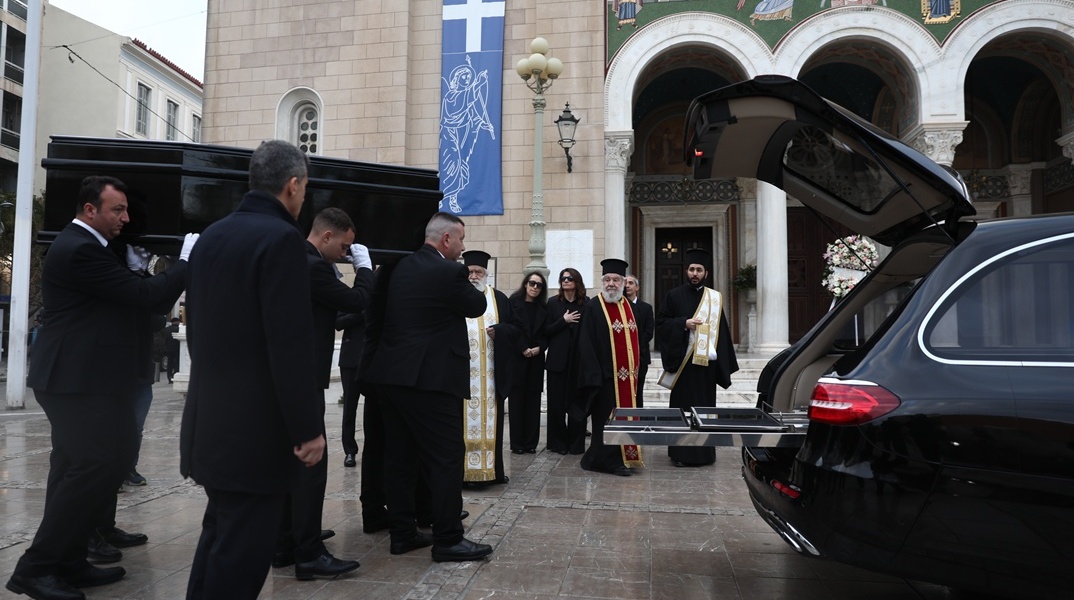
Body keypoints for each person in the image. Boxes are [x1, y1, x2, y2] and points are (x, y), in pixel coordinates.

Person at [7, 175, 194, 600]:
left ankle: (69, 560)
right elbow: (146, 296)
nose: (125, 218)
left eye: (127, 210)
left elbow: (135, 300)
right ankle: (34, 569)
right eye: (117, 210)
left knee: (88, 464)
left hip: (86, 377)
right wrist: (185, 262)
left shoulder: (93, 248)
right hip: (74, 380)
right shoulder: (80, 249)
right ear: (90, 209)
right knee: (93, 465)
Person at [180, 139, 327, 600]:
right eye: (304, 189)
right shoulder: (281, 239)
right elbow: (287, 344)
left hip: (211, 423)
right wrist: (308, 428)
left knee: (219, 539)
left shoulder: (213, 236)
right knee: (241, 559)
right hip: (254, 434)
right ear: (292, 185)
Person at [364, 212, 493, 562]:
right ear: (447, 239)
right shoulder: (449, 271)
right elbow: (477, 305)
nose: (464, 249)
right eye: (462, 240)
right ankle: (449, 538)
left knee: (400, 457)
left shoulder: (395, 267)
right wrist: (472, 281)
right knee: (445, 458)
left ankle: (402, 533)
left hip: (390, 377)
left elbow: (373, 315)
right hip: (430, 380)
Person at [272, 207, 374, 580]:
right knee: (311, 468)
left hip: (291, 375)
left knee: (291, 467)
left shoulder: (298, 258)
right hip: (305, 378)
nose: (346, 254)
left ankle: (286, 542)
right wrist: (363, 269)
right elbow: (355, 301)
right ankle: (309, 552)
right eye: (345, 247)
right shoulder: (312, 264)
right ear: (327, 236)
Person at [656, 248, 740, 467]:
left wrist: (723, 364)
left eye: (699, 270)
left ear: (706, 273)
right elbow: (661, 323)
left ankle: (704, 454)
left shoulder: (714, 298)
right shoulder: (673, 295)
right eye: (692, 269)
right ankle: (680, 454)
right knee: (682, 409)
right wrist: (683, 324)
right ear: (687, 271)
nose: (695, 273)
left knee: (704, 409)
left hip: (705, 367)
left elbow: (721, 332)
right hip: (683, 365)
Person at [574, 259, 644, 477]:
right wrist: (595, 376)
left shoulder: (628, 307)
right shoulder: (594, 307)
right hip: (604, 379)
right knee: (605, 420)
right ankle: (605, 460)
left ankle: (622, 456)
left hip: (627, 379)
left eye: (616, 280)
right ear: (602, 282)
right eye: (607, 280)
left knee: (624, 418)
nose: (611, 284)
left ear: (623, 283)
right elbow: (585, 344)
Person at [460, 250, 516, 486]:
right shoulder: (455, 298)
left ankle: (492, 471)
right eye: (470, 272)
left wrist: (501, 331)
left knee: (492, 425)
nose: (474, 276)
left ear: (486, 274)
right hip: (463, 378)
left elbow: (515, 329)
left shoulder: (499, 299)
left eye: (478, 272)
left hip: (492, 377)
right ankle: (464, 474)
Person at [544, 267, 587, 455]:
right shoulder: (553, 304)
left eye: (569, 278)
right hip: (557, 362)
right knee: (556, 405)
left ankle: (576, 444)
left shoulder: (587, 304)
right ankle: (558, 443)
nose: (566, 281)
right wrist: (564, 320)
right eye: (563, 278)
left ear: (577, 282)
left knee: (578, 404)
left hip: (579, 362)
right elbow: (545, 330)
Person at [508, 272, 548, 455]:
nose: (535, 287)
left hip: (536, 359)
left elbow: (547, 333)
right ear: (525, 284)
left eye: (539, 285)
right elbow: (510, 328)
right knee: (517, 402)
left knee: (533, 402)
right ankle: (517, 443)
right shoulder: (513, 303)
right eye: (532, 283)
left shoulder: (544, 308)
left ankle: (531, 443)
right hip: (518, 358)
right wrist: (523, 348)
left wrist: (540, 348)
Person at [337, 308, 365, 468]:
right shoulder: (349, 299)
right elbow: (338, 323)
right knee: (349, 408)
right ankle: (350, 450)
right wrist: (361, 313)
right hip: (350, 360)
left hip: (372, 357)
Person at [624, 275, 654, 407]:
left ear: (637, 287)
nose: (627, 286)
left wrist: (634, 345)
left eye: (631, 283)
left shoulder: (646, 308)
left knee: (638, 390)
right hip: (623, 356)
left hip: (640, 355)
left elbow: (649, 332)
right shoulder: (619, 307)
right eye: (625, 283)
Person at [164, 317, 181, 383]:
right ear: (177, 322)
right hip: (176, 349)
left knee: (169, 364)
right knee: (176, 363)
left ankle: (169, 377)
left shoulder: (166, 329)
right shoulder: (178, 329)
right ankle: (174, 375)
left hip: (168, 349)